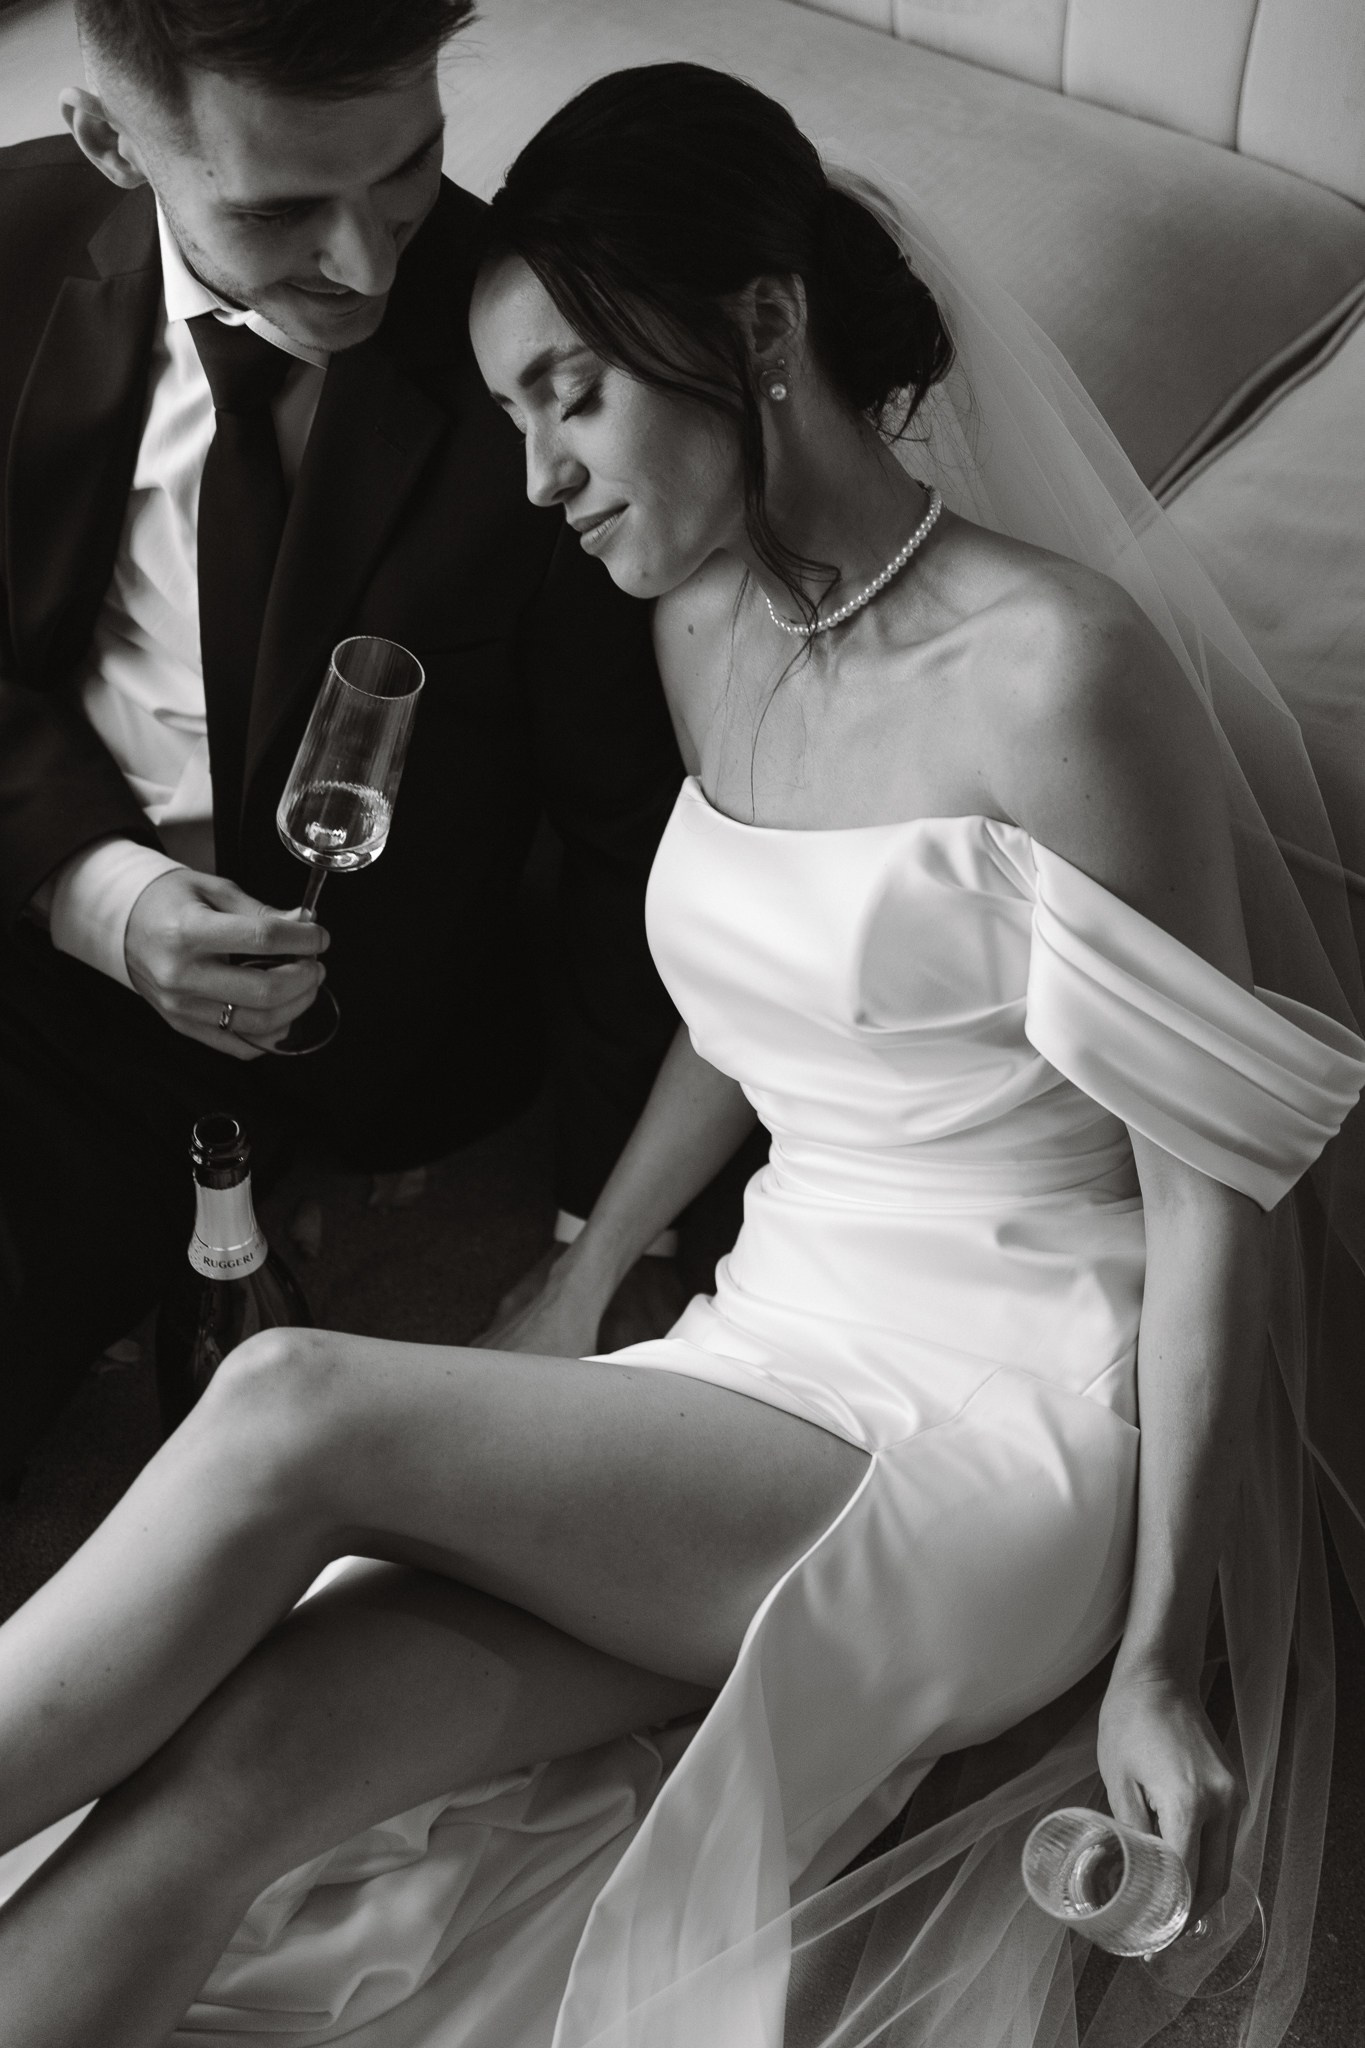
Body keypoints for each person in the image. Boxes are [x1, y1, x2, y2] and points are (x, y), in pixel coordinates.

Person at [1, 60, 1363, 2048]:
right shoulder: (697, 623)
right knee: (232, 1780)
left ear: (761, 326)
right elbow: (756, 1014)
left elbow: (1214, 1195)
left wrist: (1157, 1656)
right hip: (753, 1354)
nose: (536, 476)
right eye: (509, 417)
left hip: (997, 1421)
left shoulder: (1055, 675)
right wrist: (581, 1278)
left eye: (567, 396)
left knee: (293, 1402)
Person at [0, 0, 685, 1484]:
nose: (368, 265)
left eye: (406, 169)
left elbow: (637, 821)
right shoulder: (10, 247)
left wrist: (602, 1235)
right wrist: (91, 891)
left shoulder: (546, 359)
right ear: (111, 141)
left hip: (313, 1049)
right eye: (278, 211)